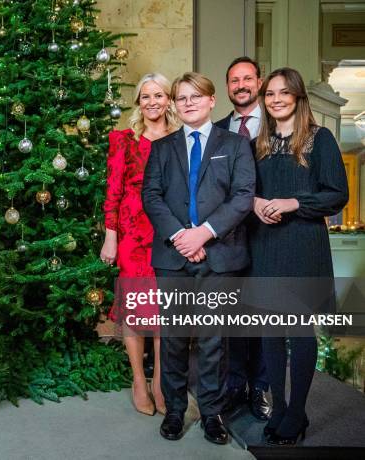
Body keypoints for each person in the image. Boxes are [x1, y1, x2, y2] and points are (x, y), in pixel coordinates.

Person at [142, 72, 255, 445]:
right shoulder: (162, 147)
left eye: (196, 96)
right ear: (175, 104)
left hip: (219, 254)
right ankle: (175, 411)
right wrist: (180, 236)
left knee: (212, 339)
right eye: (182, 97)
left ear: (211, 101)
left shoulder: (236, 145)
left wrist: (203, 233)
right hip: (173, 256)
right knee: (173, 337)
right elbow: (152, 197)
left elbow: (242, 196)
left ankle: (212, 414)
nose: (188, 102)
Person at [250, 68, 348, 445]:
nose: (275, 99)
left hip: (303, 244)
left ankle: (298, 412)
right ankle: (280, 407)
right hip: (266, 245)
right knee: (271, 333)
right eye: (270, 93)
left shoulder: (319, 139)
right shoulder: (259, 142)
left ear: (298, 97)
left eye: (283, 93)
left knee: (299, 331)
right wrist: (257, 202)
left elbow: (337, 194)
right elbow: (244, 188)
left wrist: (293, 202)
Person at [101, 73, 180, 416]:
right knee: (136, 310)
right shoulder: (123, 140)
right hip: (132, 236)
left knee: (164, 311)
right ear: (138, 102)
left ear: (168, 100)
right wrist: (110, 237)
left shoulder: (180, 138)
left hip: (169, 232)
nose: (152, 102)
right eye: (145, 96)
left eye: (158, 95)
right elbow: (113, 191)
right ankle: (138, 380)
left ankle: (161, 382)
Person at [216, 56, 270, 421]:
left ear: (260, 81)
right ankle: (235, 385)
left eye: (247, 78)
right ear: (227, 87)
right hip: (229, 237)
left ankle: (262, 386)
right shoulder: (217, 129)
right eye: (234, 80)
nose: (241, 85)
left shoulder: (279, 126)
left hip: (269, 234)